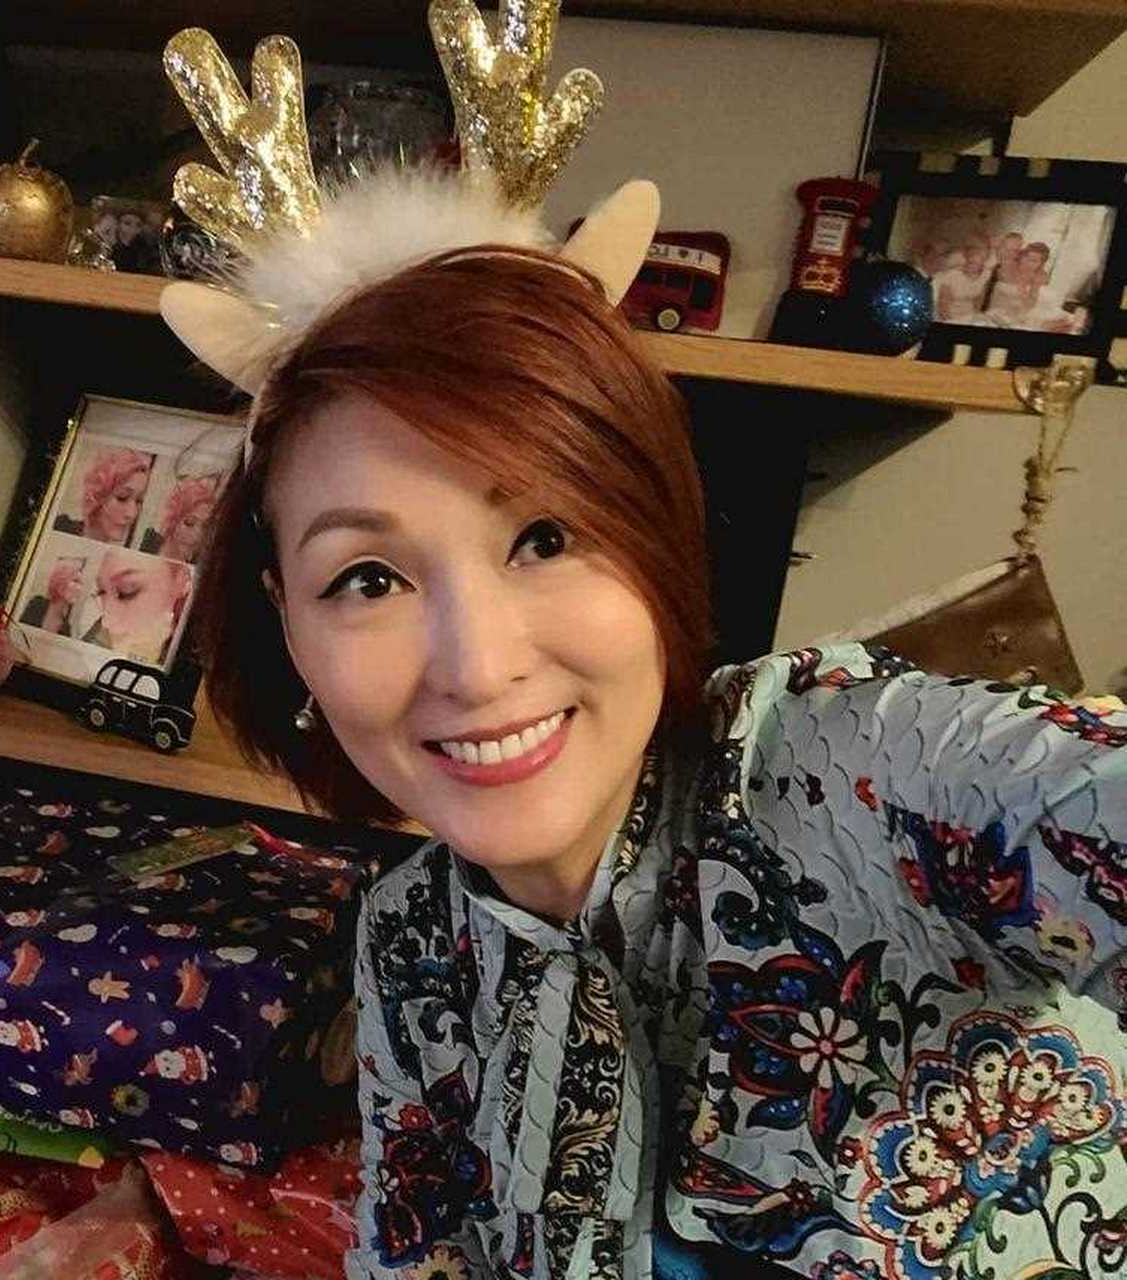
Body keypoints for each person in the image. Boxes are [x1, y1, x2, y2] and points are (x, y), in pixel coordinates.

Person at [161, 12, 1127, 1280]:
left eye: (544, 536)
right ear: (282, 619)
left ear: (653, 527)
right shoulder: (411, 941)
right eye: (369, 577)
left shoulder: (853, 771)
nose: (477, 664)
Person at [83, 547, 192, 665]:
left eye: (127, 591)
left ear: (182, 581)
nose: (107, 622)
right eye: (101, 592)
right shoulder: (98, 635)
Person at [54, 446, 152, 545]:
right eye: (122, 498)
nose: (132, 514)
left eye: (139, 501)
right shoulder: (59, 528)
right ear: (96, 496)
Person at [140, 472, 221, 563]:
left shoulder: (199, 565)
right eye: (189, 523)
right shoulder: (146, 547)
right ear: (172, 520)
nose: (197, 535)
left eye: (205, 527)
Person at [930, 230, 994, 322]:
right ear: (966, 256)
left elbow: (979, 305)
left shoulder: (986, 276)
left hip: (971, 318)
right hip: (950, 318)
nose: (973, 264)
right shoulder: (951, 276)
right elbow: (943, 308)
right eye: (970, 261)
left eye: (981, 254)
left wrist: (975, 320)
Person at [17, 556, 83, 633]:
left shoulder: (66, 629)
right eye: (75, 581)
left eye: (81, 583)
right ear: (60, 581)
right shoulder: (36, 605)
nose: (79, 588)